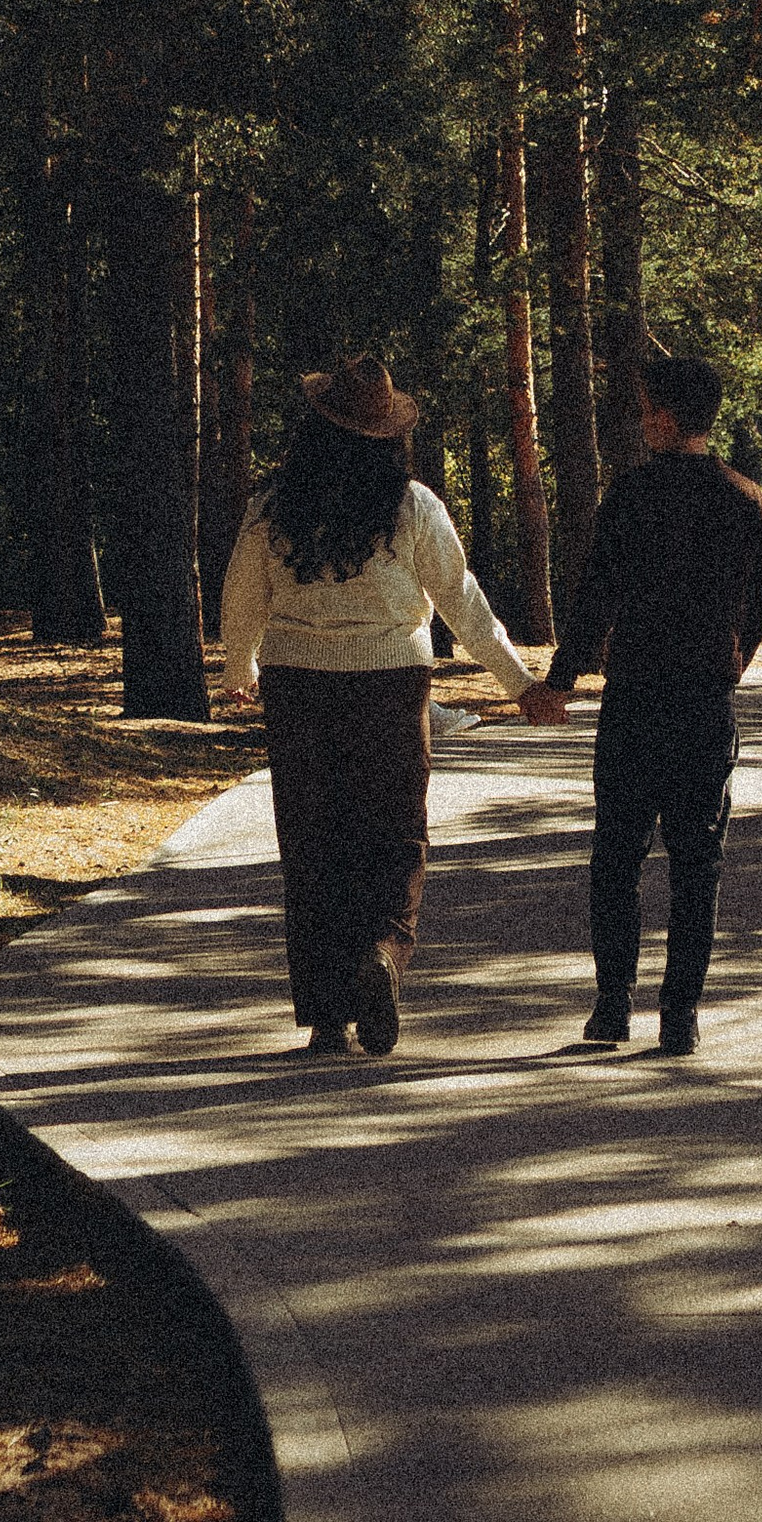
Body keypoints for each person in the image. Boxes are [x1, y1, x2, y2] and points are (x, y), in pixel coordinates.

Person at [219, 354, 535, 1057]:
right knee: (395, 837)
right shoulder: (413, 505)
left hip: (298, 684)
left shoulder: (273, 505)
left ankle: (328, 1017)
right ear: (389, 435)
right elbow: (463, 604)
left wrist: (239, 668)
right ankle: (385, 953)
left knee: (311, 843)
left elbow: (243, 593)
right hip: (391, 685)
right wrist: (519, 684)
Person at [520, 348, 762, 1056]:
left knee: (617, 857)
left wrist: (561, 680)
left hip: (634, 699)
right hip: (703, 703)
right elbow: (757, 609)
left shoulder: (628, 497)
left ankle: (610, 1010)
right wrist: (730, 666)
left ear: (663, 417)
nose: (641, 424)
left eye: (644, 412)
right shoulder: (746, 500)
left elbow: (594, 599)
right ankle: (680, 1015)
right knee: (699, 860)